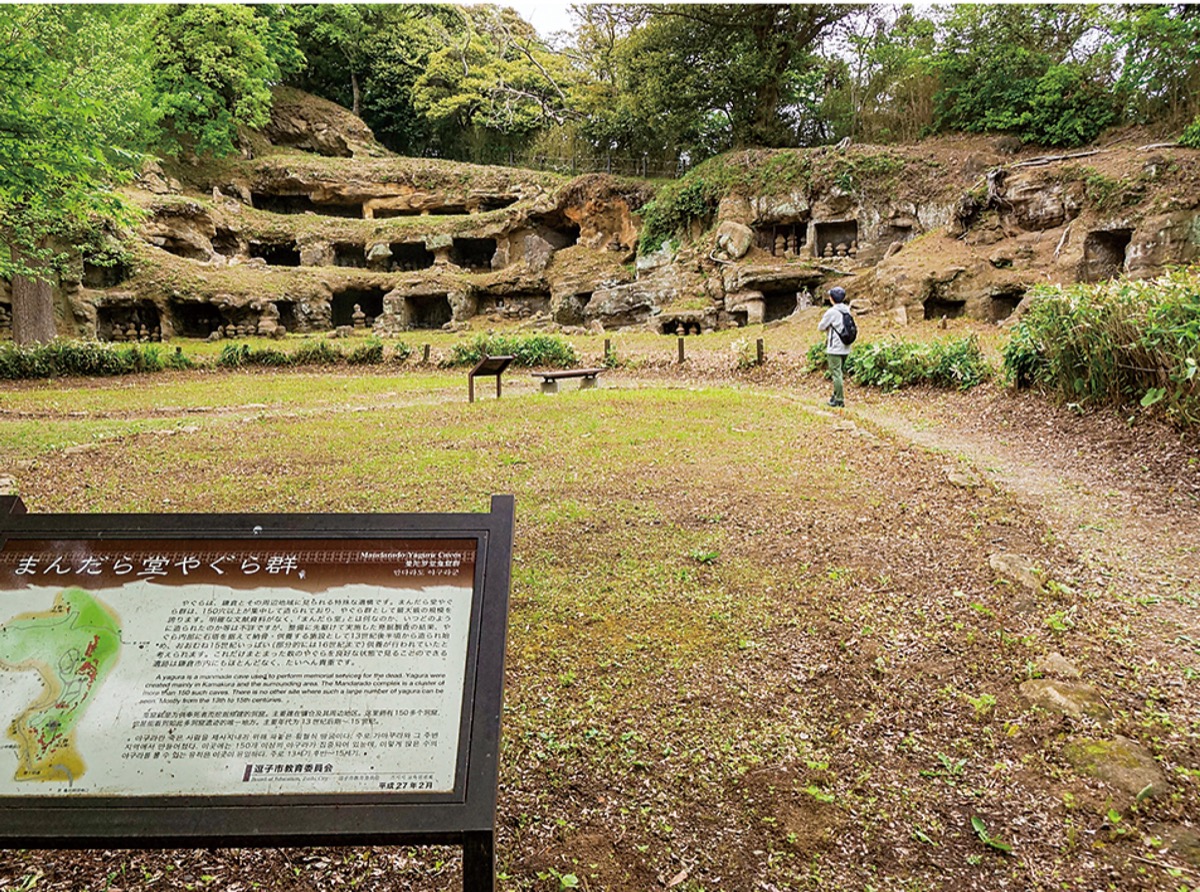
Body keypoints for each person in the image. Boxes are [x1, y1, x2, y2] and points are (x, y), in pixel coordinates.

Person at [818, 286, 852, 407]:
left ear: (832, 298)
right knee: (839, 373)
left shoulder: (831, 312)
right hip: (846, 347)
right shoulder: (847, 310)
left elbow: (821, 327)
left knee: (836, 374)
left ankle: (839, 400)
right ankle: (835, 395)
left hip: (834, 348)